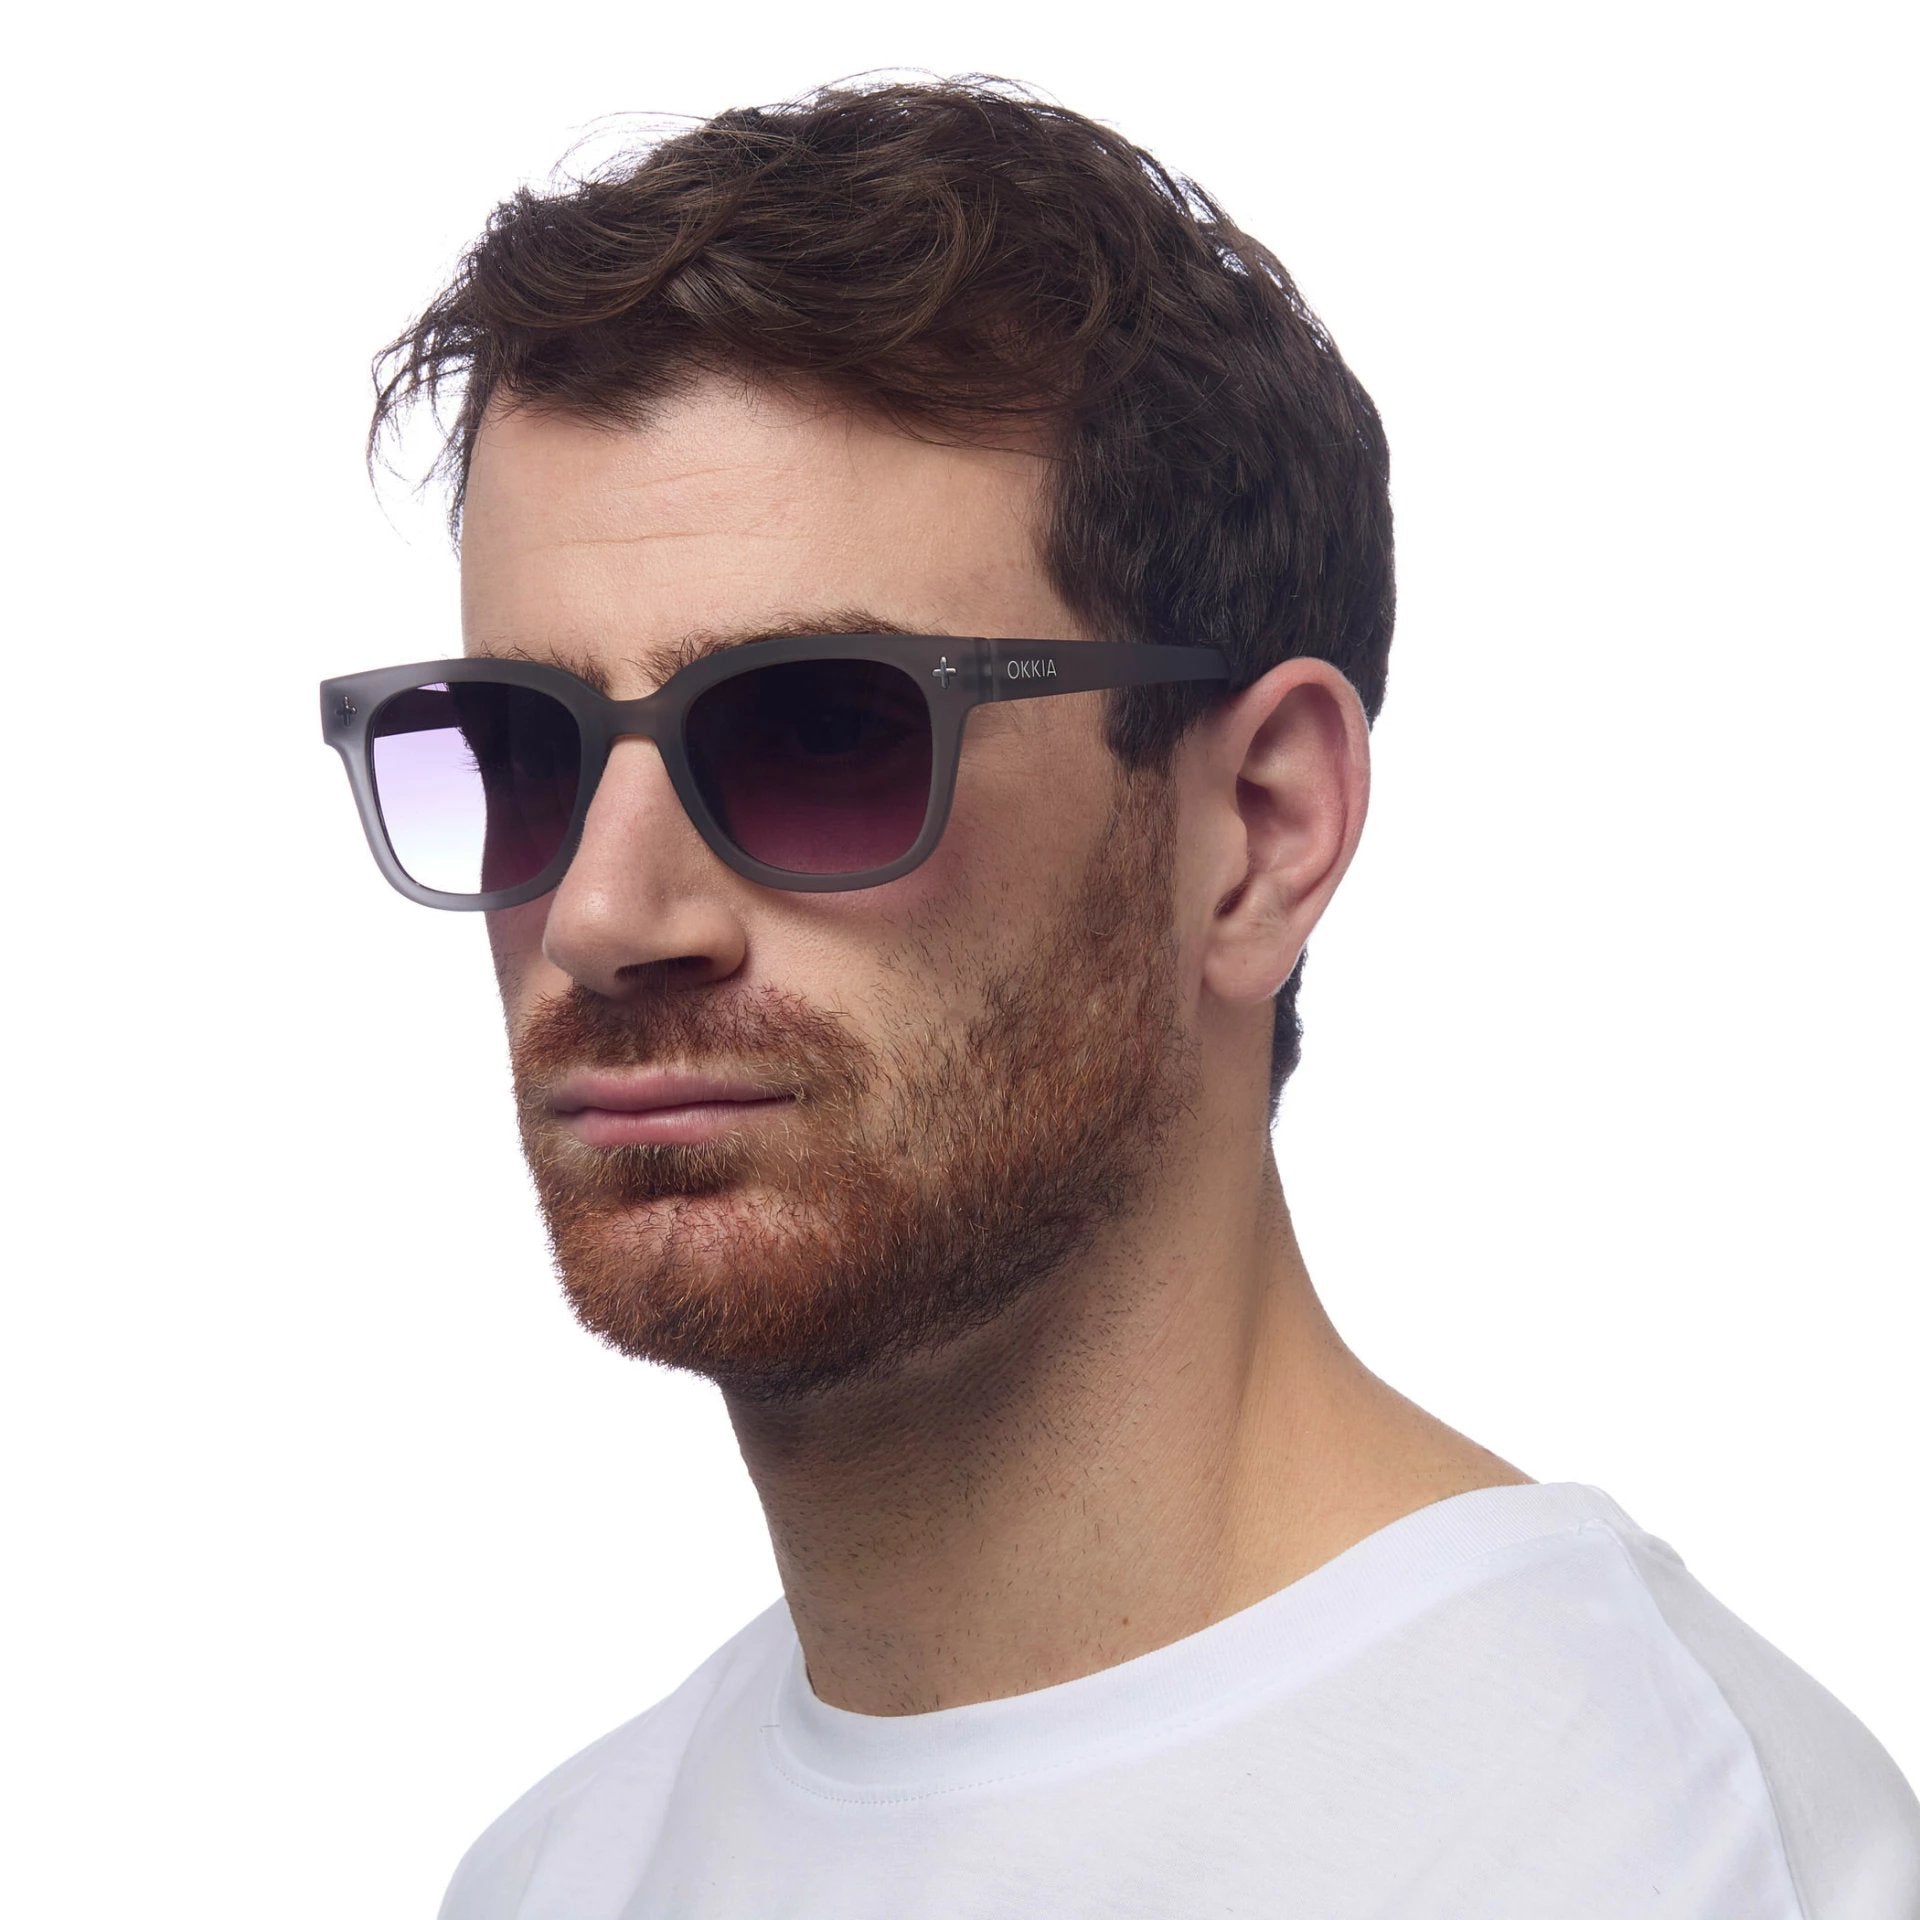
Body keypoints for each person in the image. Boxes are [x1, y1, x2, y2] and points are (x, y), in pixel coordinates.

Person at [328, 71, 1920, 1919]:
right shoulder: (556, 1875)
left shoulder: (1670, 1854)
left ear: (1260, 831)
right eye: (521, 750)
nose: (605, 912)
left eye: (821, 733)